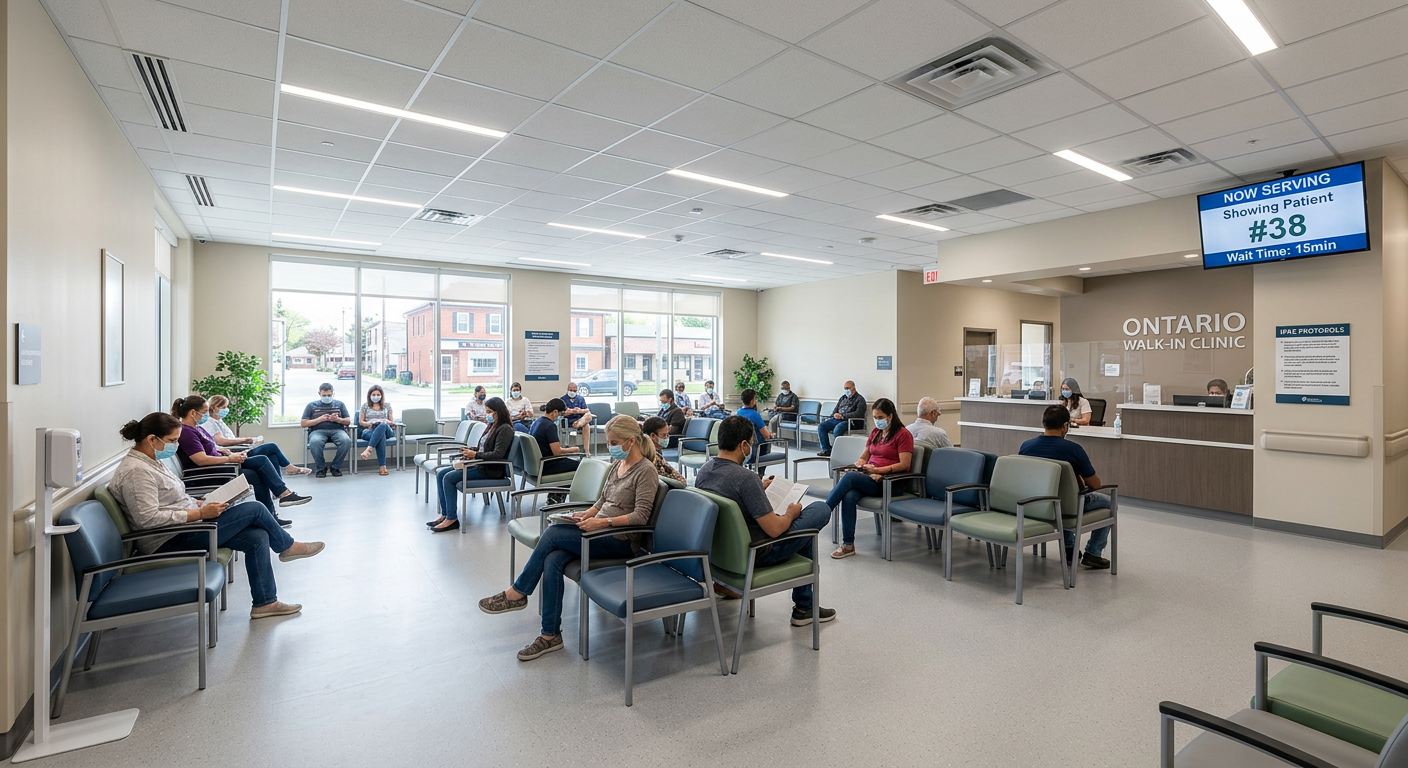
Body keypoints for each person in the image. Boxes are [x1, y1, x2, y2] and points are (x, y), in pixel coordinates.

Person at [477, 416, 660, 661]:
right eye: (609, 442)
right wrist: (584, 515)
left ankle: (518, 592)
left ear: (632, 441)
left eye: (614, 442)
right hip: (597, 529)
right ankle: (550, 635)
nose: (610, 446)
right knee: (553, 559)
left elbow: (641, 516)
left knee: (552, 535)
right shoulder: (618, 464)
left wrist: (602, 522)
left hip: (619, 540)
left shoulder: (646, 471)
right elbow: (603, 501)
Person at [109, 412, 324, 619]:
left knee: (257, 537)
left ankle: (265, 603)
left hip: (187, 527)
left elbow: (170, 501)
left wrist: (199, 502)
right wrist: (200, 513)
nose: (175, 445)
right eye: (172, 440)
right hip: (169, 539)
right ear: (152, 439)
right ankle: (288, 547)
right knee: (256, 508)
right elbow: (147, 519)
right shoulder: (137, 471)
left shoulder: (151, 461)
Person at [695, 416, 836, 626]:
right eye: (750, 443)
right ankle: (804, 607)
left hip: (722, 555)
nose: (750, 447)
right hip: (759, 551)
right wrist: (790, 514)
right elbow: (775, 529)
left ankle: (805, 606)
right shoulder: (745, 478)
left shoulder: (705, 470)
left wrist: (758, 490)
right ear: (743, 445)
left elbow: (731, 497)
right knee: (819, 510)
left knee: (805, 535)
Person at [172, 396, 309, 525]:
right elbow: (200, 459)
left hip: (221, 464)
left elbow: (209, 446)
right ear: (192, 413)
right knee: (261, 462)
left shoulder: (196, 428)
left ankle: (275, 510)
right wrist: (229, 458)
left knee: (263, 464)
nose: (207, 415)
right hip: (210, 472)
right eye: (205, 412)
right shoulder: (186, 432)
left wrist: (222, 451)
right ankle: (283, 495)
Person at [1018, 405, 1113, 570]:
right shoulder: (1073, 450)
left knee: (1061, 497)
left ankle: (1070, 549)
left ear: (1043, 423)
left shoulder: (1026, 447)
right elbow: (1095, 484)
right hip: (1068, 506)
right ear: (1065, 426)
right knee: (1109, 501)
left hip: (1036, 505)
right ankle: (1093, 553)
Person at [825, 398, 913, 559]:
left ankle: (824, 511)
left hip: (889, 482)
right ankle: (848, 545)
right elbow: (865, 456)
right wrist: (861, 464)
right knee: (849, 496)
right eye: (875, 417)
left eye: (880, 418)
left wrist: (880, 470)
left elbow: (904, 464)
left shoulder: (903, 435)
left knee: (850, 477)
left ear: (890, 416)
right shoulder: (876, 433)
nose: (877, 421)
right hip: (870, 477)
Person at [428, 397, 516, 533]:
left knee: (448, 478)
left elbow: (497, 454)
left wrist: (475, 455)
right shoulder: (492, 426)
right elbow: (484, 448)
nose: (487, 414)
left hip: (490, 469)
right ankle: (445, 514)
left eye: (490, 411)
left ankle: (452, 519)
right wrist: (471, 451)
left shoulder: (505, 429)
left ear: (498, 412)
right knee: (441, 473)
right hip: (480, 463)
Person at [202, 395, 311, 475]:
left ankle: (279, 488)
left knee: (272, 454)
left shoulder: (218, 421)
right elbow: (221, 441)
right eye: (224, 407)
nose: (226, 410)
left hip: (238, 450)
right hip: (235, 454)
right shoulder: (210, 422)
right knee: (271, 446)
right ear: (215, 407)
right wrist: (246, 440)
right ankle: (289, 468)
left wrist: (247, 441)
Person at [531, 398, 583, 504]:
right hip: (547, 464)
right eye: (560, 414)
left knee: (567, 463)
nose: (559, 417)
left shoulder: (537, 422)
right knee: (582, 466)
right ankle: (558, 496)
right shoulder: (550, 426)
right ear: (555, 412)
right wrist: (573, 449)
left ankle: (555, 495)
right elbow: (557, 452)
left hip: (536, 464)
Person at [302, 383, 352, 478]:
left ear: (333, 394)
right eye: (324, 395)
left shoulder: (340, 404)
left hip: (337, 430)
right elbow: (303, 423)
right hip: (318, 430)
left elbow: (348, 421)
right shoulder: (311, 406)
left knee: (346, 441)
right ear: (319, 394)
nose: (326, 397)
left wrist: (338, 420)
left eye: (329, 395)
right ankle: (321, 468)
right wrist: (320, 419)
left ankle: (335, 467)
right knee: (315, 442)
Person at [816, 380, 866, 457]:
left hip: (851, 422)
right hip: (838, 419)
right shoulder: (842, 398)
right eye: (845, 388)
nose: (846, 390)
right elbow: (835, 410)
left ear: (853, 388)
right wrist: (835, 415)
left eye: (848, 388)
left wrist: (843, 416)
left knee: (838, 428)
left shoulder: (860, 399)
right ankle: (826, 449)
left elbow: (858, 413)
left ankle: (837, 451)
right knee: (821, 426)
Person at [357, 384, 396, 476]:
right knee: (380, 437)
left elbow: (392, 421)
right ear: (369, 396)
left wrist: (386, 421)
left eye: (378, 394)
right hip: (370, 430)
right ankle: (382, 467)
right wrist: (369, 423)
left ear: (381, 395)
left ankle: (368, 449)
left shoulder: (387, 405)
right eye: (373, 395)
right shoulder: (365, 406)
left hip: (386, 430)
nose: (376, 396)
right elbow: (361, 422)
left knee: (382, 425)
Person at [735, 388, 774, 471]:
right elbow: (766, 435)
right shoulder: (755, 415)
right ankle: (760, 474)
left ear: (742, 400)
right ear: (752, 401)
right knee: (768, 440)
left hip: (741, 450)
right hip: (755, 451)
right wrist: (771, 434)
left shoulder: (738, 413)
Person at [642, 415, 686, 484]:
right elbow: (681, 481)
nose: (666, 438)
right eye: (664, 435)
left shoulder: (643, 451)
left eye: (667, 435)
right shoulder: (654, 457)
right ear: (652, 436)